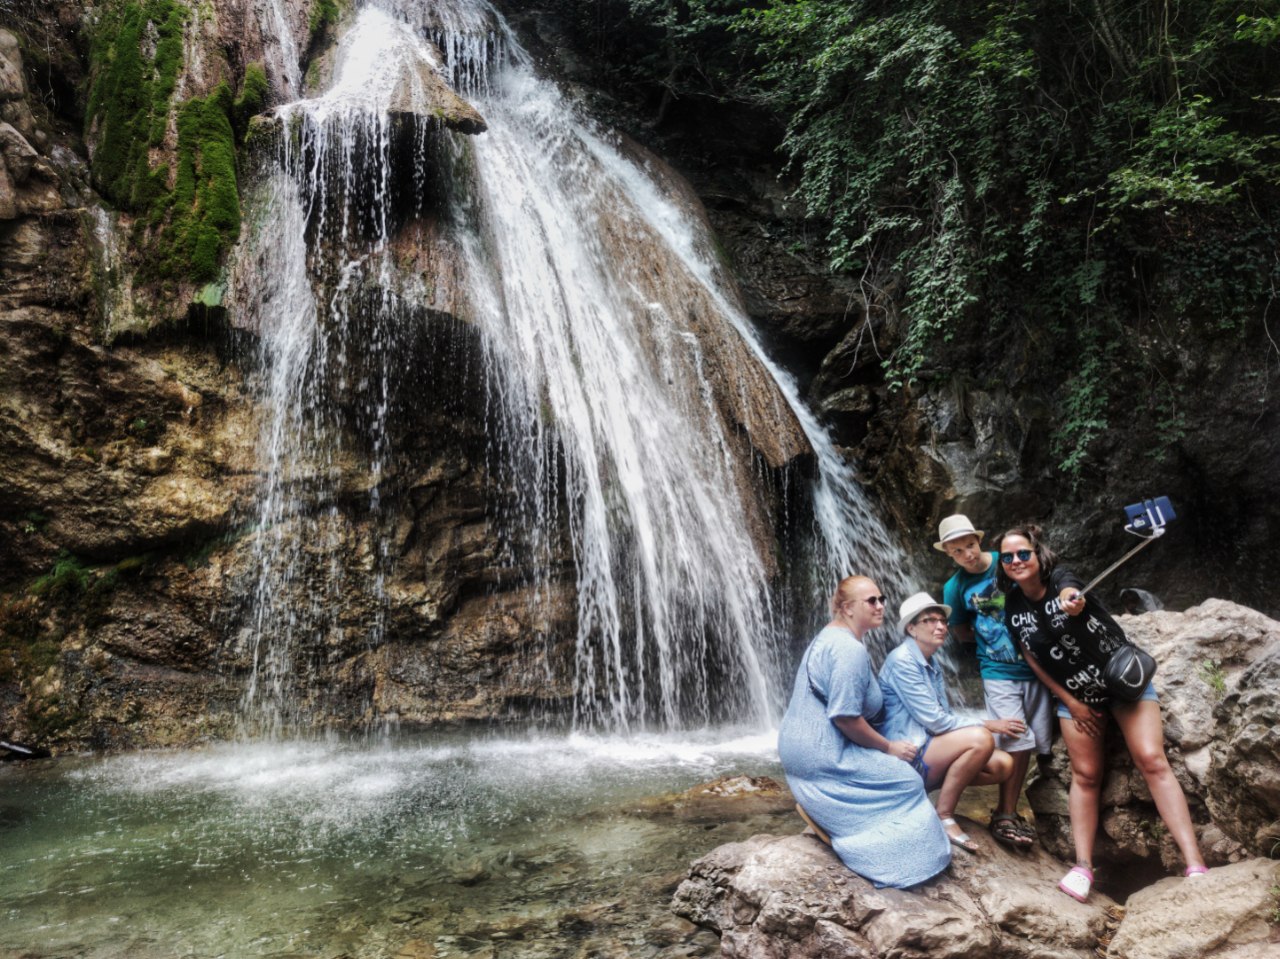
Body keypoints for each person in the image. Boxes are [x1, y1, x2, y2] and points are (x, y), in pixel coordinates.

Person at [997, 524, 1208, 901]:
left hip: (1124, 682)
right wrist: (1071, 701)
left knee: (1151, 759)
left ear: (1036, 554)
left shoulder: (1061, 578)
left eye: (1023, 553)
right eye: (1007, 556)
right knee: (1086, 774)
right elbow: (1031, 657)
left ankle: (1194, 862)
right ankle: (1082, 867)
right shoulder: (1012, 606)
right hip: (1077, 697)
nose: (1016, 561)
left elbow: (1071, 589)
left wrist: (1071, 600)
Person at [777, 575, 951, 888]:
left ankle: (827, 815)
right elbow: (844, 718)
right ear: (846, 608)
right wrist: (888, 747)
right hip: (823, 753)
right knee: (907, 781)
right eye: (871, 600)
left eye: (881, 599)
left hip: (801, 747)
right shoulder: (848, 650)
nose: (881, 605)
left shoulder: (831, 637)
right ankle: (868, 850)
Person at [937, 514, 1053, 848]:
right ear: (949, 553)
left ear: (978, 540)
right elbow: (959, 629)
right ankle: (1004, 812)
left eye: (970, 545)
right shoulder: (955, 587)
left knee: (1035, 743)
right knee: (1015, 737)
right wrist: (992, 640)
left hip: (1037, 669)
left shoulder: (1007, 564)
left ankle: (1019, 808)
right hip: (997, 671)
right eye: (958, 551)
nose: (968, 554)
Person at [879, 592, 1016, 852]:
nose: (941, 626)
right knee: (980, 739)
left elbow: (942, 714)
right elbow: (936, 721)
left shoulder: (931, 661)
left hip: (930, 747)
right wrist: (987, 724)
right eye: (930, 620)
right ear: (911, 628)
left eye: (943, 621)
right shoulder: (903, 661)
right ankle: (944, 815)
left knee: (1003, 765)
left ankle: (926, 798)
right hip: (909, 754)